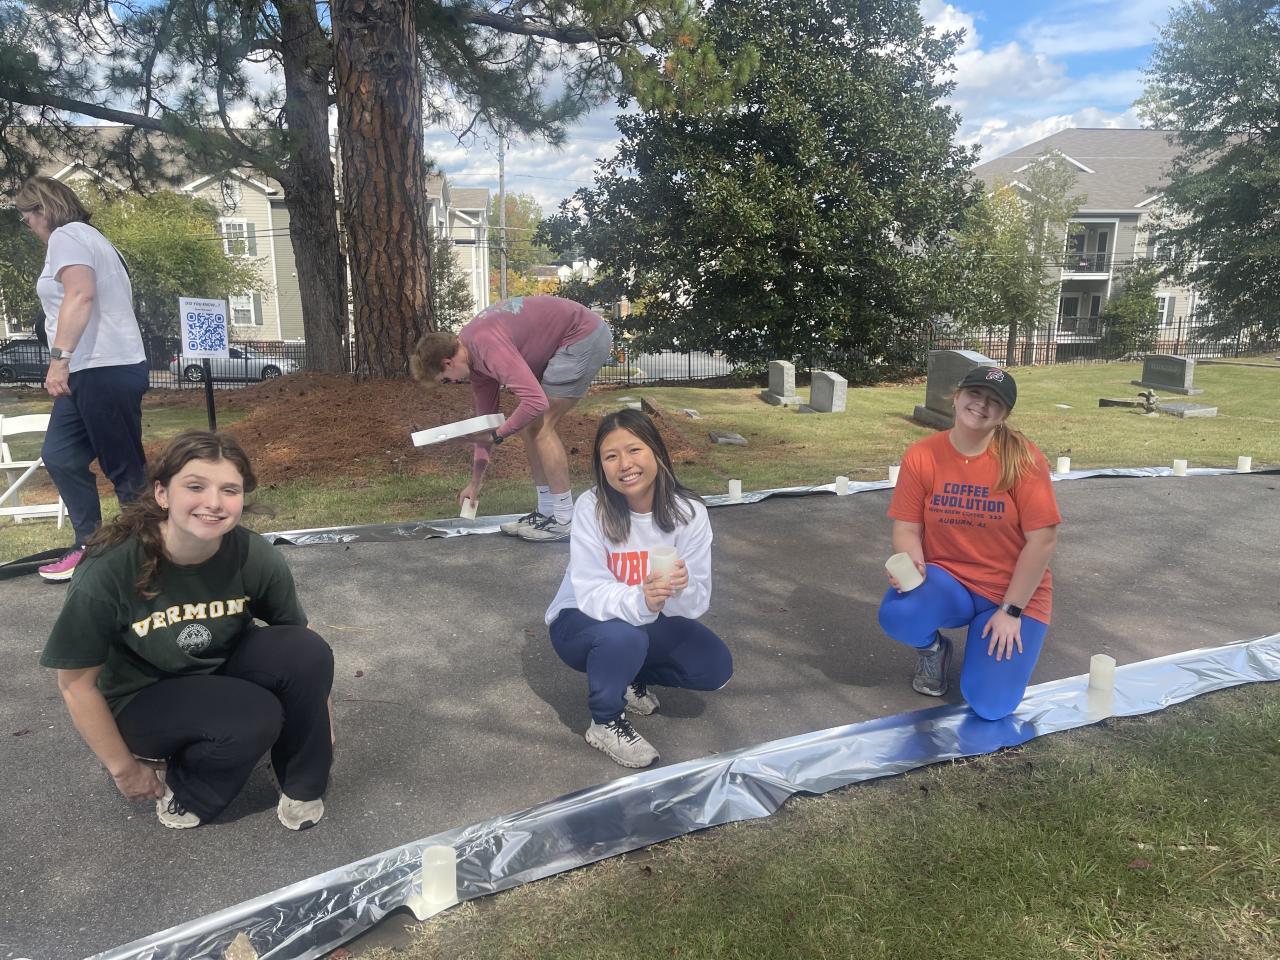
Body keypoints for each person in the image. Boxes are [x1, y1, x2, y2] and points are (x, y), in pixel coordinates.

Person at [39, 431, 334, 831]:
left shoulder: (252, 553)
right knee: (255, 717)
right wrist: (123, 769)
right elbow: (75, 685)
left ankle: (301, 784)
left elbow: (301, 642)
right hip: (143, 697)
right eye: (195, 486)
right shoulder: (109, 570)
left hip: (221, 673)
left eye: (229, 490)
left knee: (306, 649)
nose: (214, 502)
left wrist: (318, 721)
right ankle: (189, 788)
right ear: (162, 493)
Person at [544, 410, 733, 767]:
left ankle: (628, 677)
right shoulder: (592, 507)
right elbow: (590, 592)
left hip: (645, 617)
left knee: (713, 665)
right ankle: (605, 722)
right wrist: (642, 600)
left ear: (656, 452)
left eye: (634, 450)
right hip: (579, 619)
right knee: (624, 637)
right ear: (601, 466)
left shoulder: (688, 512)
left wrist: (682, 587)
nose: (625, 464)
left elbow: (695, 604)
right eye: (610, 456)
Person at [877, 366, 1061, 721]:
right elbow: (907, 528)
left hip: (1012, 592)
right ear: (957, 396)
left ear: (1004, 414)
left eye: (994, 401)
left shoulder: (1023, 460)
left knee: (990, 706)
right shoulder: (922, 455)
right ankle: (933, 650)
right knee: (899, 614)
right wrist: (912, 565)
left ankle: (990, 642)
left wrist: (1011, 612)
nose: (981, 404)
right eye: (975, 393)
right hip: (951, 581)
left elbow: (1043, 540)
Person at [13, 176, 149, 583]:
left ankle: (153, 557)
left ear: (43, 209)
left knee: (124, 468)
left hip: (104, 366)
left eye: (26, 216)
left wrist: (59, 359)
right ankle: (91, 546)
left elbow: (80, 294)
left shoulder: (68, 236)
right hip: (88, 369)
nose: (28, 224)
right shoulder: (89, 239)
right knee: (60, 455)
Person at [409, 296, 613, 543]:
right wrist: (475, 484)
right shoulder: (475, 363)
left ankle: (564, 519)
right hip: (568, 337)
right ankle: (546, 511)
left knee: (541, 426)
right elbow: (486, 425)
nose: (452, 383)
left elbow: (535, 402)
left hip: (582, 335)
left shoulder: (486, 345)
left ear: (447, 362)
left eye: (445, 379)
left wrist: (499, 435)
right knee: (530, 427)